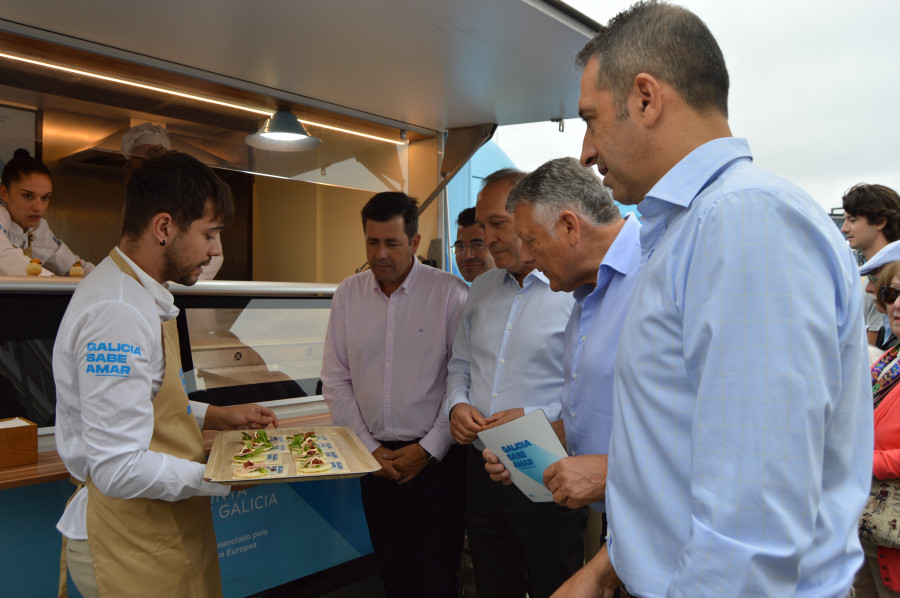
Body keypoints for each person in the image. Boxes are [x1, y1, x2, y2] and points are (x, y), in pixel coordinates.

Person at [572, 3, 873, 596]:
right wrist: (611, 567)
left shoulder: (741, 222)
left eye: (590, 119)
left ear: (645, 98)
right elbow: (678, 461)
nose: (586, 151)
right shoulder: (701, 226)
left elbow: (752, 532)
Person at [53, 151, 278, 598]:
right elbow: (118, 468)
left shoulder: (139, 294)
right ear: (163, 227)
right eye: (209, 234)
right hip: (127, 543)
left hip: (155, 531)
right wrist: (221, 474)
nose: (215, 250)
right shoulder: (116, 312)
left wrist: (217, 415)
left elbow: (147, 401)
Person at [483, 157, 640, 564]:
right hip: (623, 525)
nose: (528, 256)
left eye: (532, 241)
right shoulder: (584, 299)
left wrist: (610, 474)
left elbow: (707, 433)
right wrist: (522, 449)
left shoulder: (657, 275)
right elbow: (586, 414)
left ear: (570, 227)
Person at [445, 168, 586, 598]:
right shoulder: (481, 289)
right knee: (492, 581)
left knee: (554, 581)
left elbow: (590, 389)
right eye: (483, 226)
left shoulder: (573, 290)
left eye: (498, 225)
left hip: (546, 465)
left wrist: (537, 422)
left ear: (528, 220)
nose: (487, 238)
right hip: (482, 466)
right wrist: (457, 405)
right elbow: (460, 365)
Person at [320, 191, 469, 598]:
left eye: (392, 243)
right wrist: (369, 449)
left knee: (436, 578)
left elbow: (460, 379)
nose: (380, 253)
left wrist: (429, 449)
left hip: (437, 466)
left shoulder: (450, 294)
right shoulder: (348, 295)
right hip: (375, 463)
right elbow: (335, 379)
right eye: (372, 242)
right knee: (394, 577)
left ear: (415, 242)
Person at [122, 123, 223, 280]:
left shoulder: (193, 204)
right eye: (144, 159)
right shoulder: (119, 299)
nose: (150, 165)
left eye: (158, 158)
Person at [856, 254, 900, 597]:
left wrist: (860, 460)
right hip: (873, 530)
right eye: (891, 294)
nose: (897, 305)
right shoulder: (888, 360)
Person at [0, 148, 94, 276]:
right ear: (4, 193)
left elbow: (70, 264)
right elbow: (4, 255)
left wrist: (96, 276)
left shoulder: (37, 228)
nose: (39, 207)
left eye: (45, 197)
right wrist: (51, 279)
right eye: (28, 196)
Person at [842, 184, 900, 344]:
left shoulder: (890, 276)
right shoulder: (870, 280)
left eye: (852, 220)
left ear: (880, 221)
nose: (844, 228)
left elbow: (872, 350)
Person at [454, 206, 495, 282]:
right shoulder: (473, 292)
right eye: (460, 246)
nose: (466, 256)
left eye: (477, 245)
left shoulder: (518, 291)